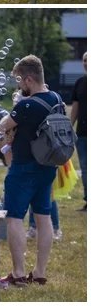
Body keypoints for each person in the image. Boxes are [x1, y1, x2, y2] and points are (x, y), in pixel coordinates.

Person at [0, 55, 64, 287]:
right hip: (48, 167)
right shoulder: (57, 98)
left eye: (19, 81)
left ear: (28, 79)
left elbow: (3, 125)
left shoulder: (26, 104)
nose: (19, 86)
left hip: (24, 168)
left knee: (14, 217)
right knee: (43, 217)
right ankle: (40, 272)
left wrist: (13, 113)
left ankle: (18, 274)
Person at [69, 52, 86, 212]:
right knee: (86, 167)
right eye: (84, 60)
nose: (86, 63)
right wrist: (69, 126)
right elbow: (75, 107)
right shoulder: (80, 82)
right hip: (82, 133)